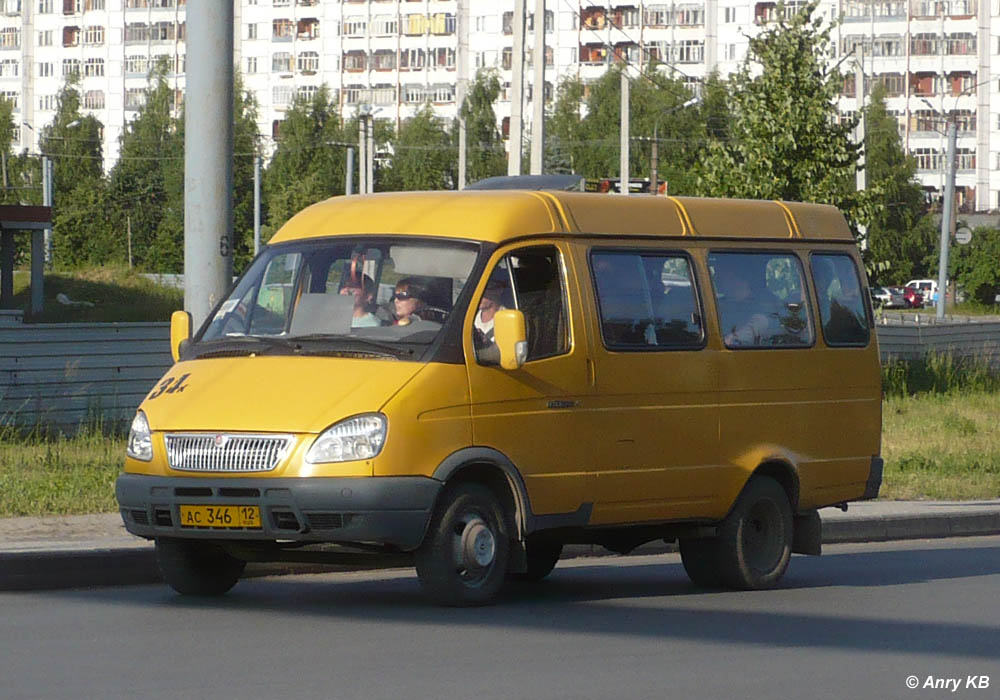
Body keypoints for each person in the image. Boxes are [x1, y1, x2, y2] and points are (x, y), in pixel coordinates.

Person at [713, 261, 773, 348]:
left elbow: (759, 324)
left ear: (737, 277)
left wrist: (732, 338)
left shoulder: (763, 305)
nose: (715, 277)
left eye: (719, 273)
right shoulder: (719, 304)